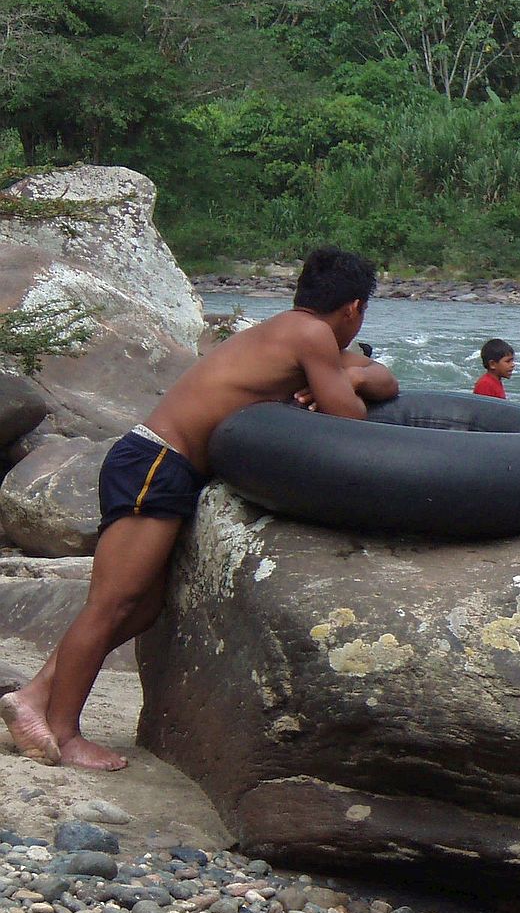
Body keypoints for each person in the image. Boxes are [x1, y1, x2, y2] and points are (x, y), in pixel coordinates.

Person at [1, 248, 398, 771]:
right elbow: (348, 417)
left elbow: (383, 378)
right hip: (156, 463)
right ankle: (63, 731)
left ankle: (32, 696)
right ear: (353, 309)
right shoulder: (312, 338)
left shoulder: (288, 332)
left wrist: (354, 377)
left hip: (163, 467)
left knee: (142, 607)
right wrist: (344, 385)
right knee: (112, 605)